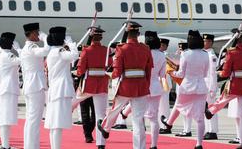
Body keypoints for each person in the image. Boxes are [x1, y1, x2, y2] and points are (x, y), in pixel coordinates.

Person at [98, 21, 153, 149]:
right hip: (142, 87)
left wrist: (109, 74)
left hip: (126, 87)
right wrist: (146, 85)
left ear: (127, 33)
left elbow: (117, 72)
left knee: (116, 109)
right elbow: (148, 70)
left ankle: (106, 127)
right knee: (138, 121)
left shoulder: (121, 49)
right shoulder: (145, 49)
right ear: (138, 34)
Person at [204, 29, 242, 149]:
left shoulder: (231, 53)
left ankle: (210, 111)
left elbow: (225, 73)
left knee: (222, 100)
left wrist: (219, 73)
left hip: (235, 84)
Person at [160, 30, 210, 149]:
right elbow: (205, 73)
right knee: (199, 118)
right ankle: (199, 144)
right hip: (201, 87)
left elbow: (181, 74)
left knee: (178, 105)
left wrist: (172, 72)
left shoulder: (186, 54)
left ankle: (169, 123)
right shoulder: (205, 54)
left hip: (187, 86)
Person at [72, 26, 110, 148]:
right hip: (102, 84)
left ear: (91, 37)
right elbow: (109, 65)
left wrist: (76, 72)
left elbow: (81, 69)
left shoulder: (86, 50)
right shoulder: (106, 50)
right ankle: (101, 144)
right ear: (101, 37)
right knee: (100, 114)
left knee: (72, 103)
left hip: (88, 84)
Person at [44, 27, 79, 149]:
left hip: (55, 89)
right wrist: (70, 43)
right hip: (61, 90)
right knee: (57, 124)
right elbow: (75, 55)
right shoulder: (60, 51)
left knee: (54, 124)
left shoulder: (53, 52)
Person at [20, 22, 50, 149]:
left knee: (31, 119)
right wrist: (45, 38)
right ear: (31, 34)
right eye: (37, 33)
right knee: (34, 119)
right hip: (35, 86)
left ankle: (30, 146)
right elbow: (46, 50)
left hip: (31, 85)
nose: (38, 35)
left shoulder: (27, 48)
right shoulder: (31, 48)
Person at [0, 32, 21, 149]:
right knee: (5, 118)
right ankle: (5, 145)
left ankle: (5, 144)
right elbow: (23, 60)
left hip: (5, 88)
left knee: (4, 117)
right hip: (8, 89)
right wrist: (19, 49)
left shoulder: (3, 55)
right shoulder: (8, 55)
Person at [203, 34, 219, 140]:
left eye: (207, 41)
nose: (204, 43)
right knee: (205, 110)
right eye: (204, 41)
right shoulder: (204, 54)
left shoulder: (211, 55)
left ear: (211, 43)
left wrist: (213, 88)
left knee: (211, 109)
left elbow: (213, 73)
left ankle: (212, 131)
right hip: (205, 85)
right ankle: (208, 130)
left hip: (209, 86)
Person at [158, 38, 171, 135]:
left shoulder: (166, 56)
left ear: (166, 46)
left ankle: (166, 125)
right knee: (159, 105)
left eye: (163, 45)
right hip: (159, 82)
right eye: (160, 45)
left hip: (165, 82)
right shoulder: (159, 55)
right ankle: (161, 125)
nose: (161, 46)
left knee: (165, 106)